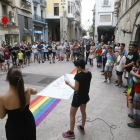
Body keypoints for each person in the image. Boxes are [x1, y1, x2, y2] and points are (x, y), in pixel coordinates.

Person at [0, 67, 37, 140]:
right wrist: (28, 87)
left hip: (14, 127)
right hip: (29, 122)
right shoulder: (27, 90)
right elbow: (35, 91)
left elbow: (2, 116)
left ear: (7, 79)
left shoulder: (3, 97)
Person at [62, 59, 92, 139]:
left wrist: (68, 83)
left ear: (79, 66)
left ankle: (71, 132)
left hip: (77, 96)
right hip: (85, 96)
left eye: (76, 66)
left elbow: (76, 88)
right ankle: (82, 127)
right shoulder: (89, 73)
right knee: (83, 112)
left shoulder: (78, 76)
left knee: (72, 114)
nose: (75, 68)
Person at [128, 59, 140, 128]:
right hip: (137, 89)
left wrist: (133, 73)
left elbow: (137, 79)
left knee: (137, 107)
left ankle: (136, 122)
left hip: (138, 90)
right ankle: (135, 117)